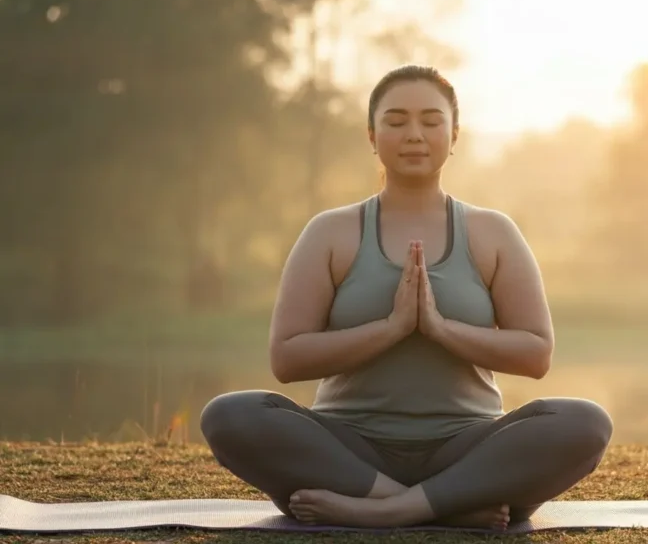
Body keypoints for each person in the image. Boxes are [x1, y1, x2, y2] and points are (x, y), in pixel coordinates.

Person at [198, 64, 614, 531]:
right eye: (395, 122)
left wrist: (439, 329)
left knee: (585, 423)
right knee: (230, 415)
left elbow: (536, 354)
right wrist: (391, 329)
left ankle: (389, 511)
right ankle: (442, 507)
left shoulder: (492, 232)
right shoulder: (331, 232)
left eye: (430, 121)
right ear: (372, 136)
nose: (413, 134)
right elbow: (288, 358)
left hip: (466, 447)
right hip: (348, 449)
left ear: (454, 134)